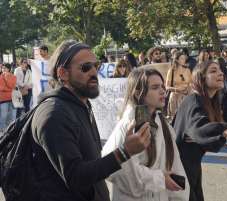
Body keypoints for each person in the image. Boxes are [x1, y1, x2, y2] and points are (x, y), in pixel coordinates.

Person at [30, 40, 151, 201]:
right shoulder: (53, 114)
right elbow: (76, 177)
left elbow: (93, 165)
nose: (94, 72)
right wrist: (125, 151)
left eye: (97, 66)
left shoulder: (81, 105)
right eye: (85, 67)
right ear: (63, 73)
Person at [173, 61, 227, 201]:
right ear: (201, 78)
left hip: (191, 164)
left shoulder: (210, 100)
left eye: (220, 70)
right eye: (213, 71)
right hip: (180, 167)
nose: (220, 73)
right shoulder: (193, 100)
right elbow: (198, 128)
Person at [102, 68, 189, 201]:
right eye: (155, 87)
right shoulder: (127, 125)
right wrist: (160, 179)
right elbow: (114, 169)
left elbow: (175, 166)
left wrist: (179, 197)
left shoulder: (164, 125)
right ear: (138, 93)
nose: (162, 91)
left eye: (162, 86)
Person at [166, 51, 192, 120]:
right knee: (173, 96)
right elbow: (167, 87)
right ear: (177, 60)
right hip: (175, 95)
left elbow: (191, 84)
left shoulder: (187, 70)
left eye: (184, 58)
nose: (184, 60)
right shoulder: (171, 71)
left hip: (186, 94)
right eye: (182, 58)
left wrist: (187, 90)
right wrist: (177, 90)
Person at [0, 63, 17, 134]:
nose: (3, 69)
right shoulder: (1, 77)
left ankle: (9, 129)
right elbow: (1, 88)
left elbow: (11, 86)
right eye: (2, 68)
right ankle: (3, 130)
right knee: (5, 116)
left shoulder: (12, 77)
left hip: (11, 99)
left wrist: (6, 77)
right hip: (5, 99)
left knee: (12, 116)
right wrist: (9, 89)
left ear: (9, 69)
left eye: (5, 68)